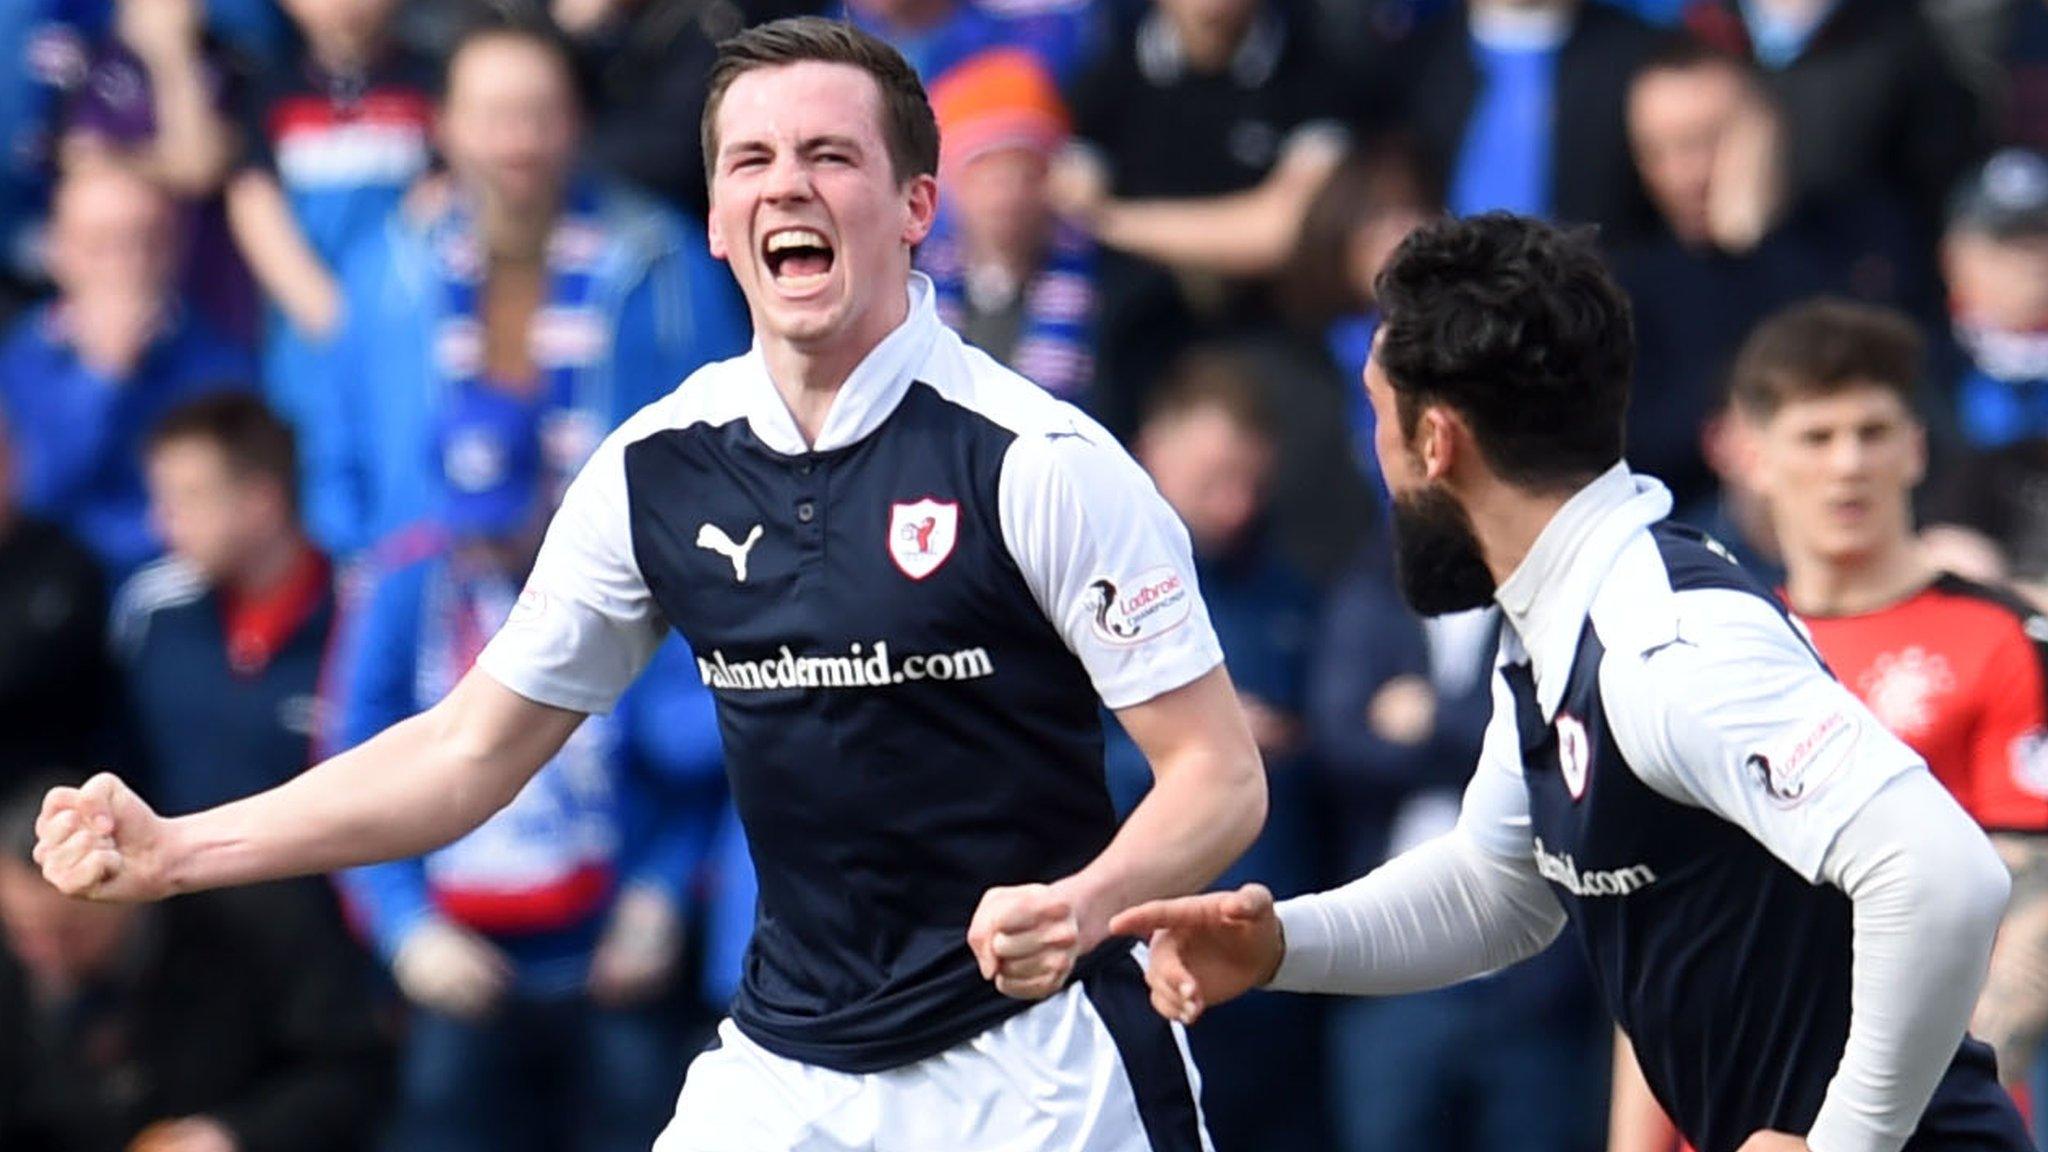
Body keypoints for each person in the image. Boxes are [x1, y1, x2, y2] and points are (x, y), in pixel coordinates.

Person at [32, 17, 1268, 1152]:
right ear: (721, 221)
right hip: (788, 1071)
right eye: (752, 161)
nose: (788, 182)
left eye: (832, 155)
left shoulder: (1037, 461)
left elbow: (1218, 777)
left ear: (913, 206)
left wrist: (1087, 901)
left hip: (1040, 1068)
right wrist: (179, 848)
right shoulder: (654, 470)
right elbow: (466, 753)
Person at [1110, 212, 2031, 1152]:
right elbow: (1495, 889)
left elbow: (1943, 875)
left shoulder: (1660, 641)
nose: (1377, 464)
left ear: (1436, 442)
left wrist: (1852, 1144)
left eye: (1378, 419)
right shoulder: (1564, 618)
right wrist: (1278, 945)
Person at [1608, 299, 2048, 1152]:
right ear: (1749, 455)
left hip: (1933, 1130)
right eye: (1816, 437)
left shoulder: (2005, 638)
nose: (1849, 464)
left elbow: (2034, 914)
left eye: (1873, 430)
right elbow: (1666, 936)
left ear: (1916, 445)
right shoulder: (1712, 653)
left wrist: (1853, 1130)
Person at [303, 20, 748, 555]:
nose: (519, 140)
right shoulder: (386, 273)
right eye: (493, 117)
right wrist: (381, 575)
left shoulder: (665, 260)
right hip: (430, 609)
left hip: (625, 605)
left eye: (540, 114)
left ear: (578, 120)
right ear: (442, 125)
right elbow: (336, 458)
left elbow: (729, 439)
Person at [0, 774, 390, 1152]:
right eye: (23, 931)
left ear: (122, 892)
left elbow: (349, 1071)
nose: (45, 953)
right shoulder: (15, 970)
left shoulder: (254, 925)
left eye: (71, 931)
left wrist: (236, 1136)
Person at [0, 162, 251, 577]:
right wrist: (102, 378)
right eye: (102, 244)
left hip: (173, 590)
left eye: (146, 240)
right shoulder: (20, 360)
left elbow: (225, 509)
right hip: (45, 599)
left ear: (176, 246)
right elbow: (28, 500)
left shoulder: (216, 361)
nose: (127, 263)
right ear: (60, 251)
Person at [115, 394, 336, 819]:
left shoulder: (359, 616)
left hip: (314, 881)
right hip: (173, 879)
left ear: (261, 502)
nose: (160, 522)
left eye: (187, 499)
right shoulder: (151, 610)